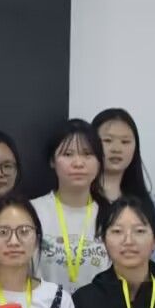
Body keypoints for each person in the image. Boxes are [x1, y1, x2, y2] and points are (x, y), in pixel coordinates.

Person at [32, 119, 110, 292]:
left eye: (87, 154)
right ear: (52, 161)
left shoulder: (112, 215)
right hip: (44, 307)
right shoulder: (32, 212)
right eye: (68, 154)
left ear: (99, 162)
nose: (78, 163)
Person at [93, 108, 155, 262]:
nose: (116, 149)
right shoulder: (80, 201)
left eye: (125, 142)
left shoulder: (150, 204)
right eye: (107, 141)